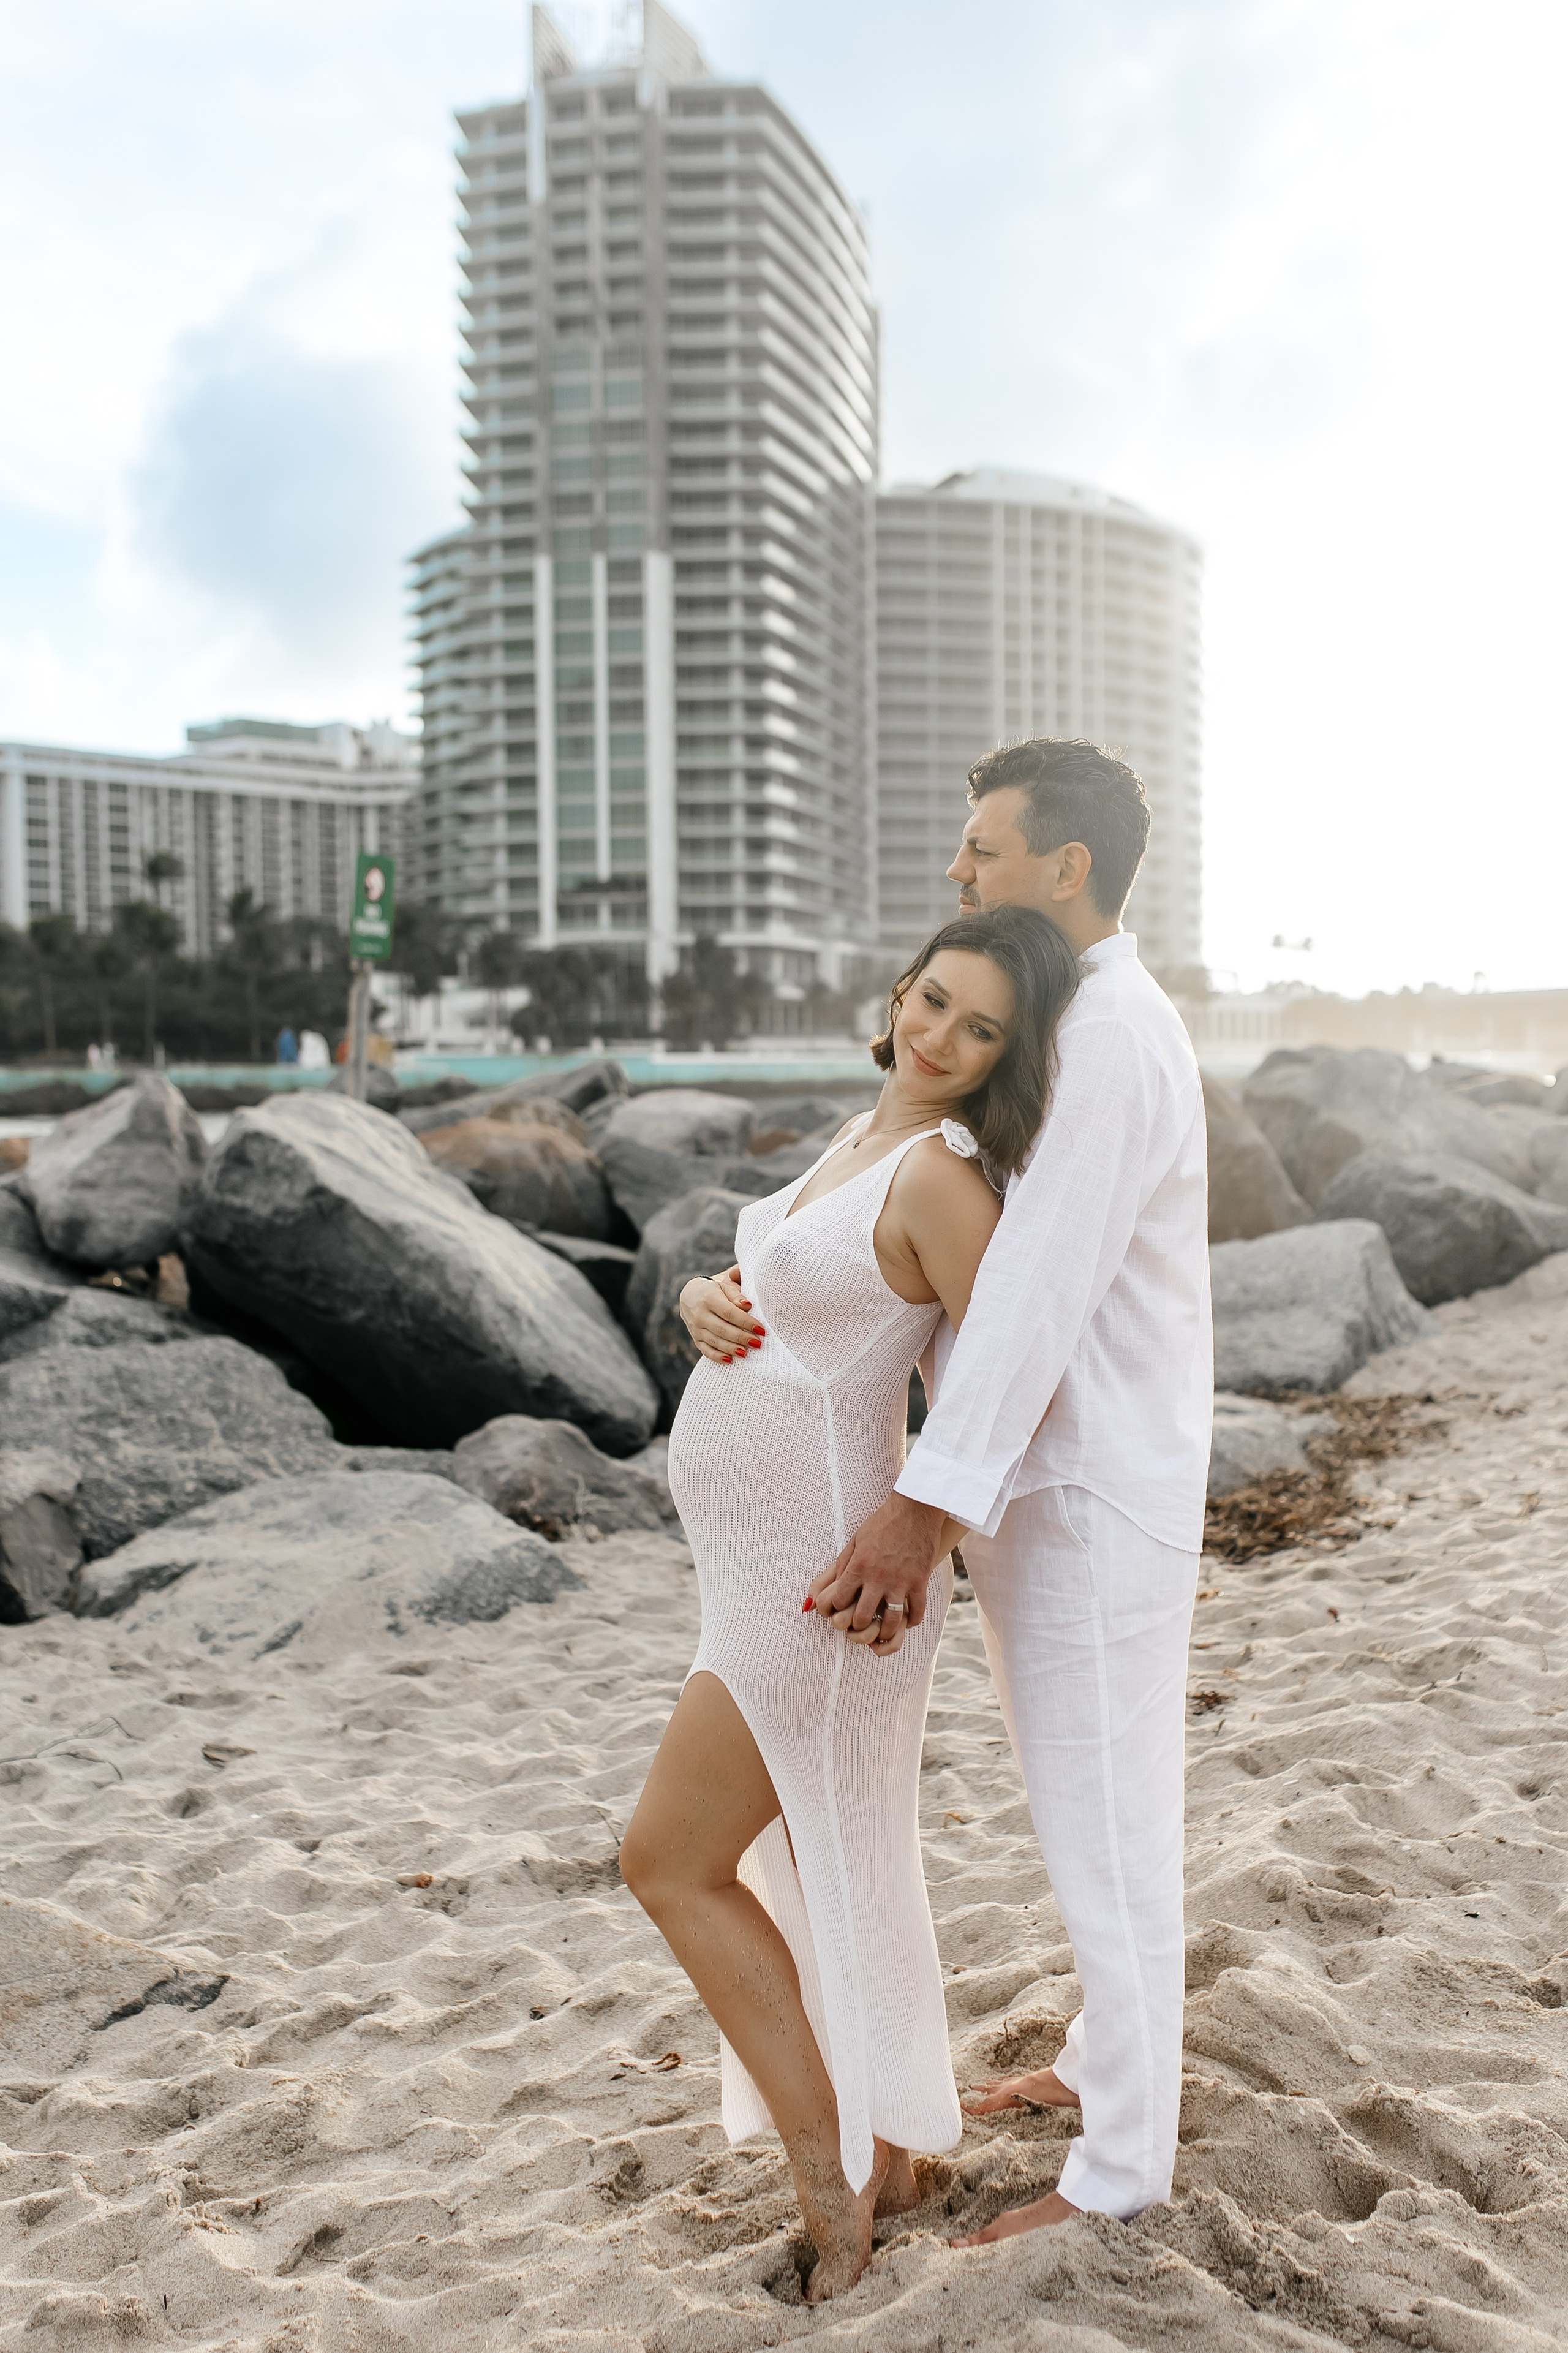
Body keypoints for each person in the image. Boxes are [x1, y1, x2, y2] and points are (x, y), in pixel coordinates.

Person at [620, 906, 1081, 2303]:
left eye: (977, 1027)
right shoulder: (860, 1138)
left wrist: (919, 1518)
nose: (938, 1034)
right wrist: (709, 1293)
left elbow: (1015, 1379)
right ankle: (885, 2154)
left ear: (1005, 1056)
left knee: (668, 1858)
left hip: (825, 1594)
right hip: (758, 1577)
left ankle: (828, 2186)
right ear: (898, 990)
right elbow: (803, 1309)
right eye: (931, 999)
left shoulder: (945, 1176)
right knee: (823, 1874)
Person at [800, 738, 1213, 2240]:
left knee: (1102, 1825)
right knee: (1096, 1801)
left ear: (1066, 868)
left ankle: (1119, 2180)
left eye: (982, 849)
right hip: (1078, 1473)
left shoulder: (1111, 1031)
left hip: (1093, 1481)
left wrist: (921, 1506)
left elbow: (1031, 1289)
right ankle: (1108, 2063)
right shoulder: (1092, 1017)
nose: (960, 873)